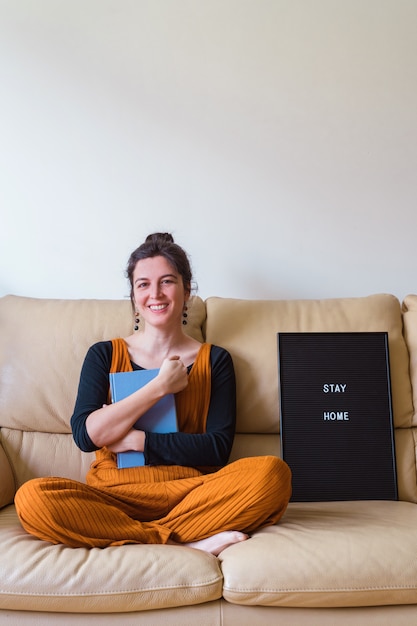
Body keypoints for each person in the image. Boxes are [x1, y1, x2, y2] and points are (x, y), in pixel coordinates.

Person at [15, 233, 291, 555]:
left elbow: (217, 449)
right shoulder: (103, 354)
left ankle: (147, 537)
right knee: (33, 499)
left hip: (190, 494)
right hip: (115, 495)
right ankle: (185, 541)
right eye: (143, 284)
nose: (155, 294)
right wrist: (159, 387)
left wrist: (140, 442)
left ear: (186, 291)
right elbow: (86, 436)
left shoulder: (215, 360)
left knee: (273, 476)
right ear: (133, 296)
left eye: (167, 282)